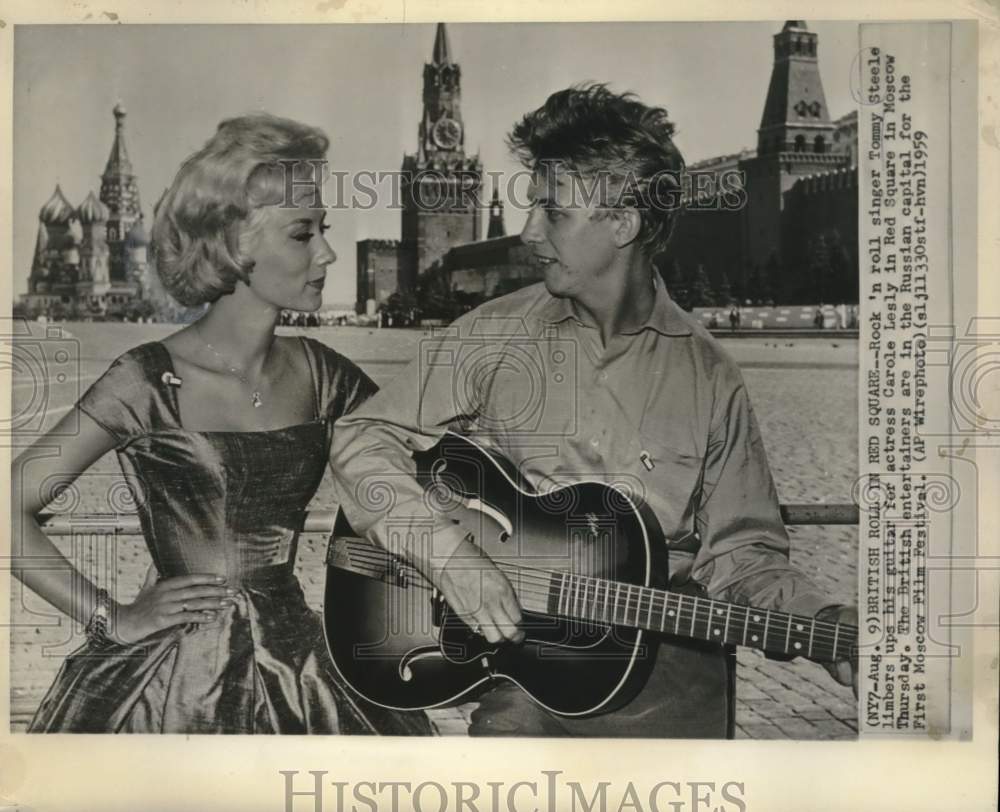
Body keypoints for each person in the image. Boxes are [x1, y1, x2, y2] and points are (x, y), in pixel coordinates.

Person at [329, 84, 857, 738]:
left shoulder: (709, 377)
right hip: (525, 688)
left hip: (669, 686)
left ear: (623, 223)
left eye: (553, 213)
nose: (526, 233)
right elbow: (360, 438)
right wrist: (450, 559)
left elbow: (743, 556)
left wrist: (822, 623)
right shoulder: (495, 336)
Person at [11, 113, 428, 735]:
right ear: (236, 246)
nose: (328, 252)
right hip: (168, 684)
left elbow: (435, 477)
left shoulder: (326, 375)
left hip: (307, 676)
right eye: (302, 234)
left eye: (325, 230)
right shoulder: (143, 380)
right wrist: (111, 617)